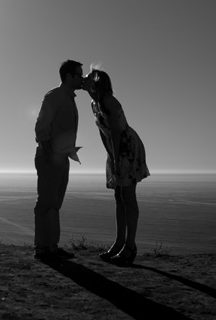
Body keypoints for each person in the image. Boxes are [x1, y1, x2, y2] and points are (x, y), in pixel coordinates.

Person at [83, 67, 150, 266]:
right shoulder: (94, 103)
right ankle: (119, 243)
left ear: (95, 82)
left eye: (87, 77)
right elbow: (104, 133)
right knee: (119, 196)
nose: (83, 79)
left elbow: (116, 133)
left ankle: (130, 246)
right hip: (116, 148)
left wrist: (116, 158)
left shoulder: (108, 101)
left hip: (126, 147)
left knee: (127, 196)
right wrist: (110, 155)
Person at [33, 59, 84, 260]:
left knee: (54, 201)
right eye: (79, 75)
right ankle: (42, 248)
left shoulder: (67, 97)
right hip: (51, 156)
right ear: (69, 76)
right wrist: (47, 151)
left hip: (61, 156)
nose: (82, 79)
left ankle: (50, 246)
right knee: (46, 201)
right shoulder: (55, 96)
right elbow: (41, 125)